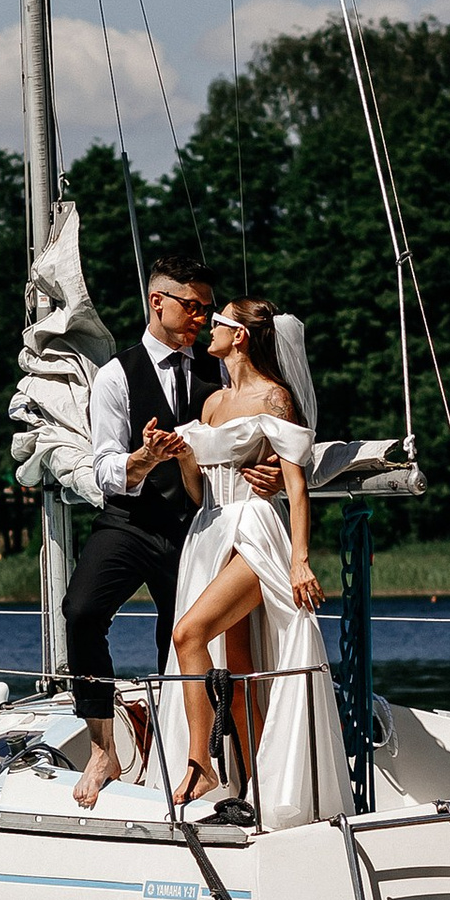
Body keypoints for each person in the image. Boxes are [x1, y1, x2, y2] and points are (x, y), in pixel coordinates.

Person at [66, 264, 282, 807]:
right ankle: (101, 749)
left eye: (208, 309)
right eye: (193, 306)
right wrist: (141, 459)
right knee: (82, 610)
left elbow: (265, 434)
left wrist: (273, 469)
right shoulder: (116, 376)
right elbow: (100, 469)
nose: (202, 317)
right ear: (157, 301)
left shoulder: (220, 373)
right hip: (130, 520)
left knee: (181, 637)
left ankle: (195, 759)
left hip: (198, 526)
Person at [159, 298, 352, 828]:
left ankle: (201, 763)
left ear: (239, 336)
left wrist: (300, 560)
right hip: (209, 532)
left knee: (188, 635)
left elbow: (295, 482)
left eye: (217, 323)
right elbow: (198, 489)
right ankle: (253, 784)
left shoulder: (274, 397)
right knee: (238, 667)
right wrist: (180, 456)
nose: (209, 330)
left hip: (254, 531)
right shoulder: (213, 403)